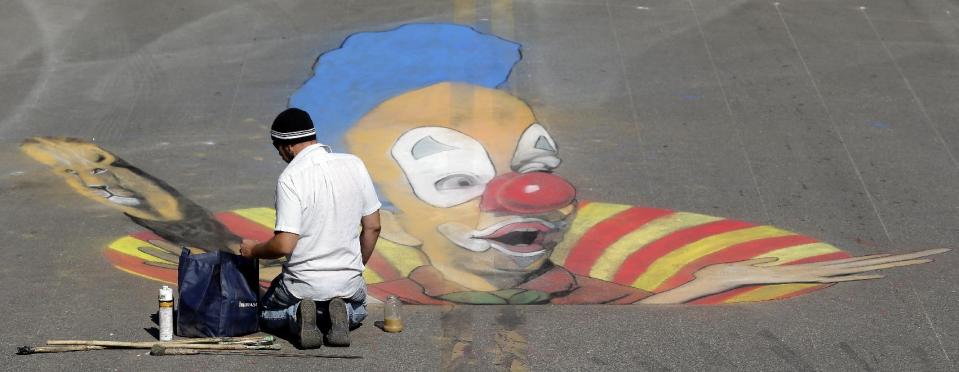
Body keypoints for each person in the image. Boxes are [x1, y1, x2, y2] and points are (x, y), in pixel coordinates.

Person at [240, 108, 382, 348]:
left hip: (303, 283)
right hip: (347, 280)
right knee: (358, 311)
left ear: (286, 146)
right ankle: (341, 313)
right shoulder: (354, 165)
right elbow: (373, 227)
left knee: (264, 313)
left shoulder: (291, 177)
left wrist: (253, 250)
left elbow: (285, 243)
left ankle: (296, 314)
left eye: (279, 150)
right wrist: (355, 266)